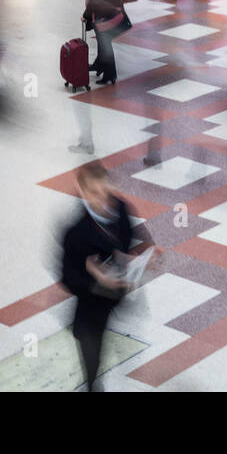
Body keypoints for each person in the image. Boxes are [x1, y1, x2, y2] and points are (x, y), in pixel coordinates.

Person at [60, 163, 140, 391]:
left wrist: (137, 256)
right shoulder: (75, 233)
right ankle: (93, 385)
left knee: (102, 332)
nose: (103, 199)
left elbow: (130, 236)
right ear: (83, 193)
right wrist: (97, 280)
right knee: (91, 349)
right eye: (95, 193)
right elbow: (68, 278)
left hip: (117, 294)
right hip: (91, 304)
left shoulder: (121, 209)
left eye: (105, 191)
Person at [83, 0, 129, 86]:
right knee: (102, 41)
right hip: (114, 10)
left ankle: (110, 75)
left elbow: (94, 0)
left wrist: (86, 15)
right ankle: (100, 64)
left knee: (105, 43)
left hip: (104, 14)